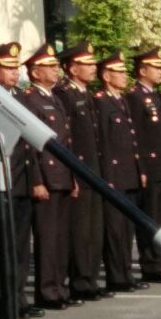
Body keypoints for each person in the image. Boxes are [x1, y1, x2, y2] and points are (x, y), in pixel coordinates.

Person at [0, 42, 45, 319]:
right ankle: (5, 303)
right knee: (2, 249)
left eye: (15, 67)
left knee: (20, 248)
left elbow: (29, 148)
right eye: (6, 68)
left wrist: (35, 181)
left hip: (20, 181)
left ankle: (18, 299)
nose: (13, 73)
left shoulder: (19, 98)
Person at [21, 44, 77, 311]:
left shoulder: (55, 98)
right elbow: (30, 146)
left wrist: (74, 177)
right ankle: (47, 291)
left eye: (56, 66)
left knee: (61, 237)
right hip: (46, 176)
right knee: (47, 238)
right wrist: (36, 180)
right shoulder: (30, 100)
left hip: (62, 175)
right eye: (50, 66)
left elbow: (65, 142)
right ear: (35, 71)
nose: (55, 70)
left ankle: (59, 286)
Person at [53, 41, 108, 303]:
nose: (93, 68)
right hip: (79, 169)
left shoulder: (86, 93)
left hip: (93, 170)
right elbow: (68, 138)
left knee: (94, 229)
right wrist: (72, 174)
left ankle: (90, 278)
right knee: (80, 230)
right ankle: (80, 280)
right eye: (87, 64)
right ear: (72, 68)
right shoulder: (64, 94)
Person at [93, 52, 147, 293]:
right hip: (114, 174)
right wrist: (107, 177)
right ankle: (117, 275)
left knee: (126, 229)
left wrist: (139, 169)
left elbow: (132, 140)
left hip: (128, 173)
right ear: (106, 76)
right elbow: (103, 143)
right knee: (115, 229)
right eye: (119, 72)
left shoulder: (121, 100)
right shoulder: (102, 101)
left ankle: (125, 272)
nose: (125, 76)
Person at [127, 47, 161, 283]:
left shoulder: (156, 96)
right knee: (151, 218)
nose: (160, 72)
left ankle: (160, 260)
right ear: (142, 70)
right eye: (155, 68)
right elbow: (136, 136)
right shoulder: (135, 96)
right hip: (150, 167)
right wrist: (142, 169)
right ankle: (151, 264)